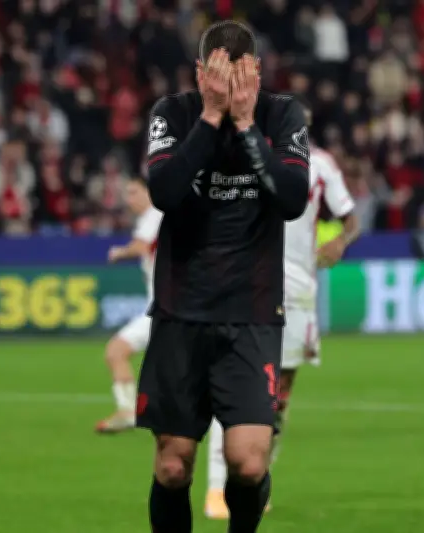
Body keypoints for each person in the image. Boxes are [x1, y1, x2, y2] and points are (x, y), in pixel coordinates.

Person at [137, 20, 309, 533]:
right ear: (199, 73)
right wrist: (212, 118)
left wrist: (247, 124)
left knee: (249, 463)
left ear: (255, 72)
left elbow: (292, 200)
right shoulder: (173, 113)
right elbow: (165, 193)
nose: (228, 87)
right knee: (173, 467)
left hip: (252, 312)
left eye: (238, 76)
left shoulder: (283, 115)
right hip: (180, 311)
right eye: (217, 77)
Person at [204, 98, 360, 518]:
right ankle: (217, 486)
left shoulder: (321, 164)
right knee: (236, 384)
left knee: (278, 396)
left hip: (299, 290)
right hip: (246, 282)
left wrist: (340, 241)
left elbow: (351, 218)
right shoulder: (242, 154)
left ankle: (255, 479)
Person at [95, 177, 162, 433]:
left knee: (116, 350)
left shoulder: (153, 215)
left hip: (162, 309)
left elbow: (140, 246)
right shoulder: (162, 216)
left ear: (149, 192)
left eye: (134, 192)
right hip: (165, 307)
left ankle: (127, 412)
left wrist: (119, 253)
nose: (129, 198)